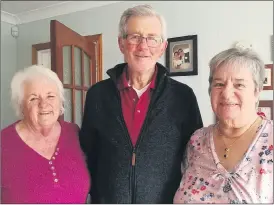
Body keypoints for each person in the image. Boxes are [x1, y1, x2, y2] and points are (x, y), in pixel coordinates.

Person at [79, 4, 203, 204]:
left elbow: (196, 159)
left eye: (152, 38)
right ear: (121, 43)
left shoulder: (183, 97)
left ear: (163, 47)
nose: (143, 46)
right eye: (135, 37)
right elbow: (88, 154)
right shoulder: (97, 95)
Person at [173, 47, 273, 203]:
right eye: (219, 84)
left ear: (257, 91)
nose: (226, 93)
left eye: (239, 85)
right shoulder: (197, 141)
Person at [1, 65, 90, 203]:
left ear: (60, 101)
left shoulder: (74, 133)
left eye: (50, 96)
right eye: (33, 98)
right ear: (21, 106)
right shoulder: (4, 143)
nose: (44, 104)